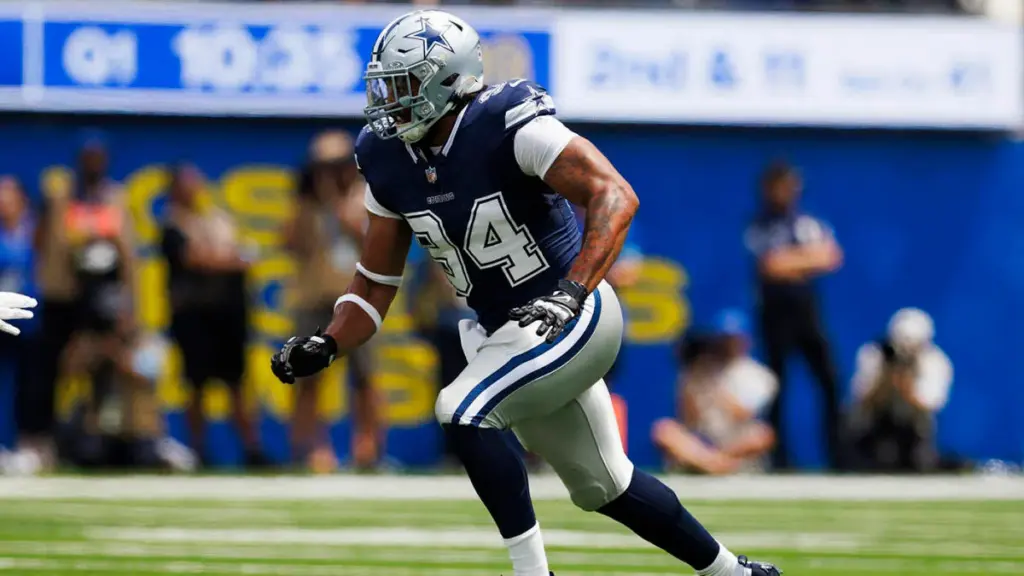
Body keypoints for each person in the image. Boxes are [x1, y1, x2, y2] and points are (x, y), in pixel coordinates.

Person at [270, 10, 781, 576]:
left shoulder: (508, 123)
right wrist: (329, 342)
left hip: (570, 314)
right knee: (606, 484)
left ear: (448, 80)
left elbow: (615, 195)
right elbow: (374, 282)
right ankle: (736, 573)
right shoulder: (386, 158)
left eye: (405, 84)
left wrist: (571, 292)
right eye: (385, 85)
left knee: (460, 408)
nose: (389, 100)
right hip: (507, 335)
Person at [284, 130, 384, 472]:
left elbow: (369, 240)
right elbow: (287, 242)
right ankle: (313, 450)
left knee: (365, 378)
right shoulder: (305, 204)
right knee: (308, 377)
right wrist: (312, 202)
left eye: (335, 166)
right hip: (313, 299)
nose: (329, 173)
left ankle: (367, 449)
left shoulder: (365, 196)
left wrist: (336, 205)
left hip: (355, 300)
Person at [160, 162, 264, 467]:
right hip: (194, 316)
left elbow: (241, 255)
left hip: (227, 315)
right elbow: (197, 259)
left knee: (237, 384)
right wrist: (231, 260)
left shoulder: (215, 220)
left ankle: (251, 448)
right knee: (196, 384)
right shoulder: (172, 224)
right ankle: (197, 449)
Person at [744, 160, 843, 471]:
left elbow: (830, 256)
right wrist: (806, 259)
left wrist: (793, 261)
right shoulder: (760, 224)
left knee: (828, 380)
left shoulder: (806, 222)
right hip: (775, 312)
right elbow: (770, 265)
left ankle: (838, 454)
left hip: (806, 310)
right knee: (777, 385)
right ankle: (780, 458)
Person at [652, 309, 777, 475]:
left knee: (762, 434)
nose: (727, 344)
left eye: (732, 339)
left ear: (745, 340)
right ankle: (713, 464)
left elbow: (742, 414)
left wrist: (715, 389)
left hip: (734, 440)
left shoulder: (758, 375)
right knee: (663, 430)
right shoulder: (697, 373)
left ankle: (712, 462)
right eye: (723, 339)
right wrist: (694, 379)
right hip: (702, 441)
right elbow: (689, 419)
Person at [846, 307, 953, 473]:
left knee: (921, 465)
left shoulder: (936, 362)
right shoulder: (874, 355)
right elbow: (861, 398)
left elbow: (930, 404)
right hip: (876, 425)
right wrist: (885, 378)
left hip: (914, 428)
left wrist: (905, 384)